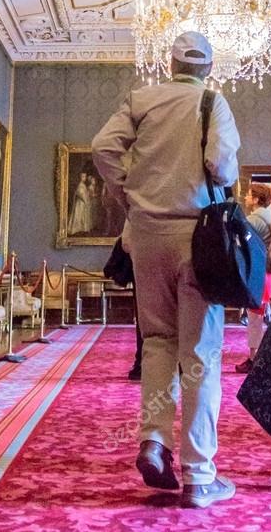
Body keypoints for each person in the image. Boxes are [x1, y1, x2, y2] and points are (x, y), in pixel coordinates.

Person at [92, 32, 240, 509]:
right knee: (199, 351)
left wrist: (129, 194)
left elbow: (102, 148)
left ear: (169, 62)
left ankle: (154, 440)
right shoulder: (212, 102)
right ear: (208, 68)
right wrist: (224, 176)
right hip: (197, 234)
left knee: (157, 341)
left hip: (147, 234)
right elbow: (220, 164)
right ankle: (200, 474)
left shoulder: (142, 98)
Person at [234, 183, 271, 373]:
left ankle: (253, 358)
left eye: (249, 195)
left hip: (261, 273)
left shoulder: (254, 219)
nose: (245, 198)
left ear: (257, 199)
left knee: (254, 317)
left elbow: (238, 242)